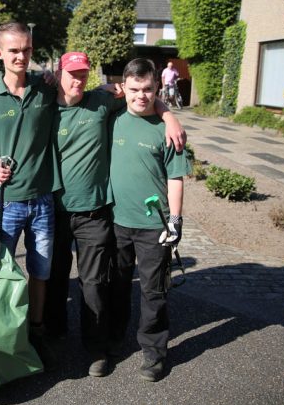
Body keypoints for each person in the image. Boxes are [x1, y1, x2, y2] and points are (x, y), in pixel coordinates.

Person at [45, 52, 186, 378]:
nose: (77, 80)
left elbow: (142, 97)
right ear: (59, 73)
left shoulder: (102, 104)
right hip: (66, 212)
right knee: (62, 281)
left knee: (106, 285)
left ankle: (113, 348)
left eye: (83, 73)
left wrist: (169, 116)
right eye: (71, 74)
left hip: (105, 215)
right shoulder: (46, 105)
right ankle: (58, 338)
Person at [0, 21, 60, 365]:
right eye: (13, 50)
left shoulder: (45, 89)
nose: (20, 56)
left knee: (41, 271)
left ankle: (35, 329)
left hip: (43, 200)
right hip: (6, 202)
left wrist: (164, 111)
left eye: (25, 50)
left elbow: (80, 90)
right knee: (2, 271)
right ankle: (4, 332)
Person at [109, 58, 191, 382]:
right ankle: (115, 338)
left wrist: (175, 221)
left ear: (157, 87)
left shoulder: (168, 131)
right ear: (124, 88)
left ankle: (154, 353)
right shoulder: (113, 120)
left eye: (147, 89)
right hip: (116, 221)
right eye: (134, 89)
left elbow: (176, 178)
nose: (141, 96)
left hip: (153, 227)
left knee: (153, 292)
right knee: (115, 287)